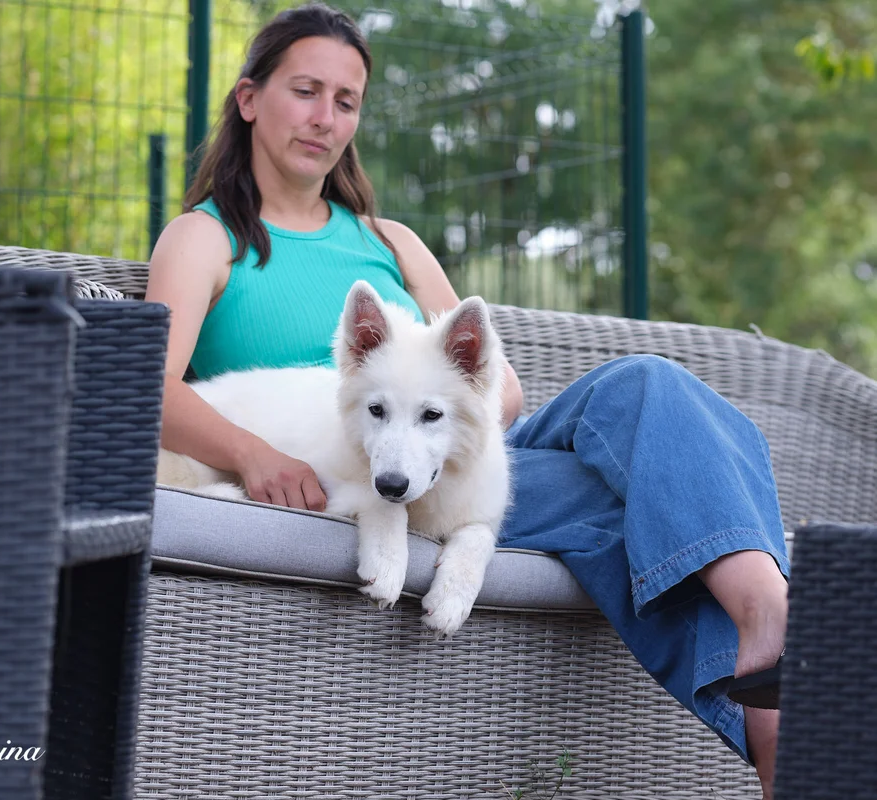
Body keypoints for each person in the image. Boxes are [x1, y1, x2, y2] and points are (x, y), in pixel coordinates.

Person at [145, 4, 789, 796]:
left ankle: (769, 622)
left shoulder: (389, 241)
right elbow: (149, 389)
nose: (323, 119)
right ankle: (779, 721)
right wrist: (254, 455)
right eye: (304, 91)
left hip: (458, 460)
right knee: (654, 504)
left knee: (646, 386)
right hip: (351, 467)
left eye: (344, 101)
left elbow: (501, 389)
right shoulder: (207, 239)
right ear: (248, 98)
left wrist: (454, 439)